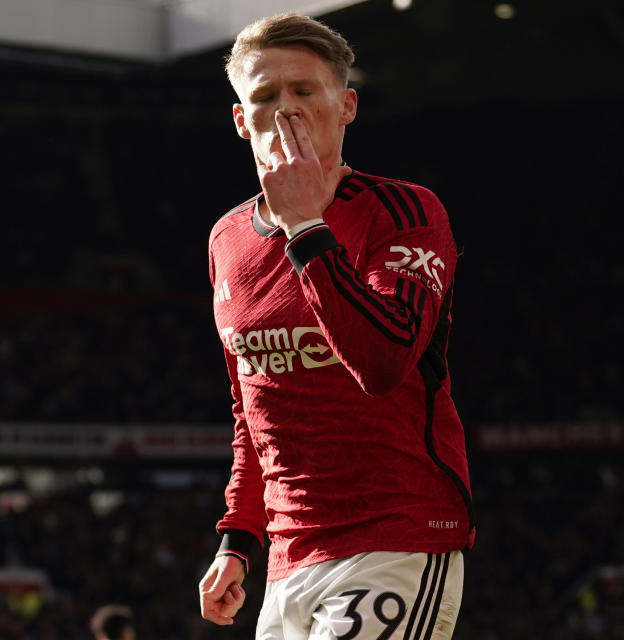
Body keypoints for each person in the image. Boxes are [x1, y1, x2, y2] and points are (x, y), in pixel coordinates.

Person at [198, 12, 475, 640]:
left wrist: (305, 227)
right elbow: (253, 404)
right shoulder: (228, 238)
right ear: (242, 121)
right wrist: (239, 538)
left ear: (345, 106)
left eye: (304, 91)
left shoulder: (405, 210)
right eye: (265, 96)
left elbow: (382, 362)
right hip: (288, 558)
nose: (286, 110)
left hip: (397, 533)